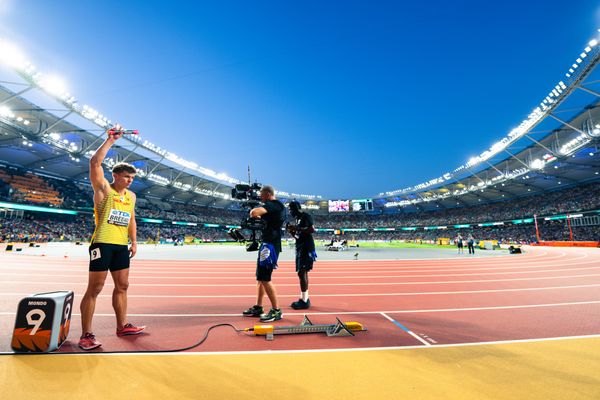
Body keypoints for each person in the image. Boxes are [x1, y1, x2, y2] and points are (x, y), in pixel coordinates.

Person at [78, 126, 145, 350]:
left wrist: (134, 242)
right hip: (102, 243)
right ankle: (86, 334)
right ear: (115, 175)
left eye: (132, 178)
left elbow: (131, 219)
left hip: (120, 246)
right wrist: (110, 141)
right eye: (126, 176)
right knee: (95, 289)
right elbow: (94, 164)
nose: (129, 180)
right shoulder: (104, 189)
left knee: (123, 285)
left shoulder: (132, 196)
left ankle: (122, 325)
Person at [242, 185, 285, 322]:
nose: (260, 196)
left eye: (261, 194)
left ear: (267, 194)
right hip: (267, 243)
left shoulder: (275, 205)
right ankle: (259, 307)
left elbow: (254, 213)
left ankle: (276, 310)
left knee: (265, 278)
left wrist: (254, 209)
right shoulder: (273, 207)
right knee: (260, 278)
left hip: (271, 245)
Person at [286, 200, 316, 310]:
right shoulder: (298, 219)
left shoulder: (305, 216)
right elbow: (300, 236)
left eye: (290, 209)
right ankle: (304, 298)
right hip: (301, 247)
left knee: (302, 272)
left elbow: (312, 229)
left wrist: (297, 228)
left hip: (307, 248)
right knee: (301, 272)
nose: (290, 211)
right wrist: (292, 232)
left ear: (296, 208)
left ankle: (304, 301)